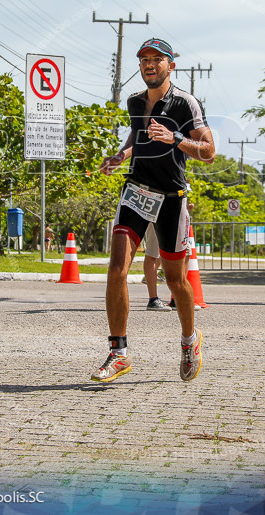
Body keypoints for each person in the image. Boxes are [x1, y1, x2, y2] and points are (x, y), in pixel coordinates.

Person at [93, 38, 215, 383]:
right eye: (144, 59)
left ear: (170, 66)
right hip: (135, 190)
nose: (149, 64)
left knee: (175, 281)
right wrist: (121, 156)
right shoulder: (134, 102)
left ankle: (190, 341)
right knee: (117, 269)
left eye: (156, 59)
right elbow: (136, 138)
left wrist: (175, 138)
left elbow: (208, 151)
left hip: (171, 198)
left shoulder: (185, 103)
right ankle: (119, 352)